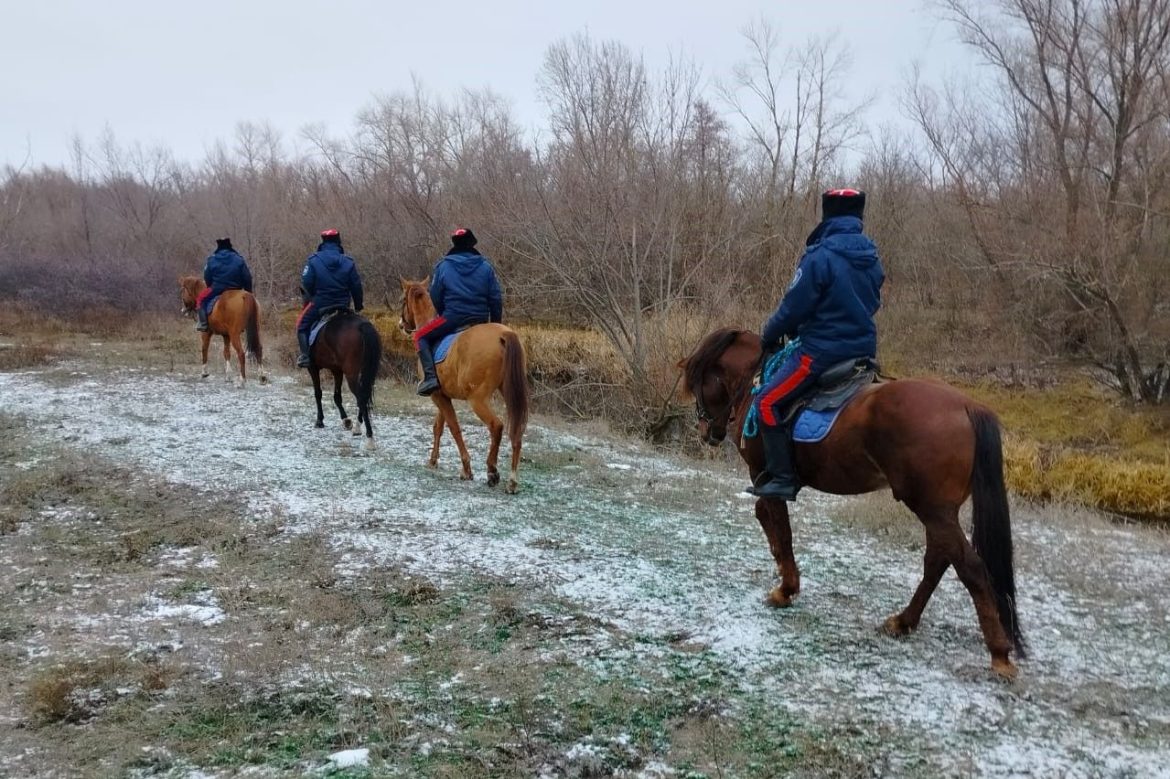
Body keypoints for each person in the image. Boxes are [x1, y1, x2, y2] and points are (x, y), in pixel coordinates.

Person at [749, 188, 885, 500]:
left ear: (827, 215)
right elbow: (872, 301)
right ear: (858, 216)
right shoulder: (871, 256)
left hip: (819, 353)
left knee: (767, 402)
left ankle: (782, 478)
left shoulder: (819, 256)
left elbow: (793, 307)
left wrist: (770, 333)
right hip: (862, 351)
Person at [412, 227, 503, 396]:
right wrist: (495, 324)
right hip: (481, 318)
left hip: (452, 317)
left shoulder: (443, 266)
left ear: (454, 244)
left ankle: (430, 379)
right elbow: (496, 298)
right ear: (472, 243)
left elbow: (435, 295)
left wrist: (443, 312)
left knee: (420, 336)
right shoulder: (486, 267)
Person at [296, 229, 364, 368]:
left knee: (301, 325)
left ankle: (305, 356)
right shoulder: (348, 262)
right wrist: (358, 305)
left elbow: (306, 283)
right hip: (343, 304)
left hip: (320, 303)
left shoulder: (313, 260)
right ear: (338, 241)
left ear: (323, 241)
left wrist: (313, 296)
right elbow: (356, 286)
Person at [195, 237, 253, 332]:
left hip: (217, 288)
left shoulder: (211, 259)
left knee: (200, 299)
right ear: (230, 246)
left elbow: (207, 277)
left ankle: (203, 324)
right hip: (236, 288)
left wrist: (210, 286)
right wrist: (249, 292)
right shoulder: (239, 259)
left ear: (218, 247)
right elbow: (247, 277)